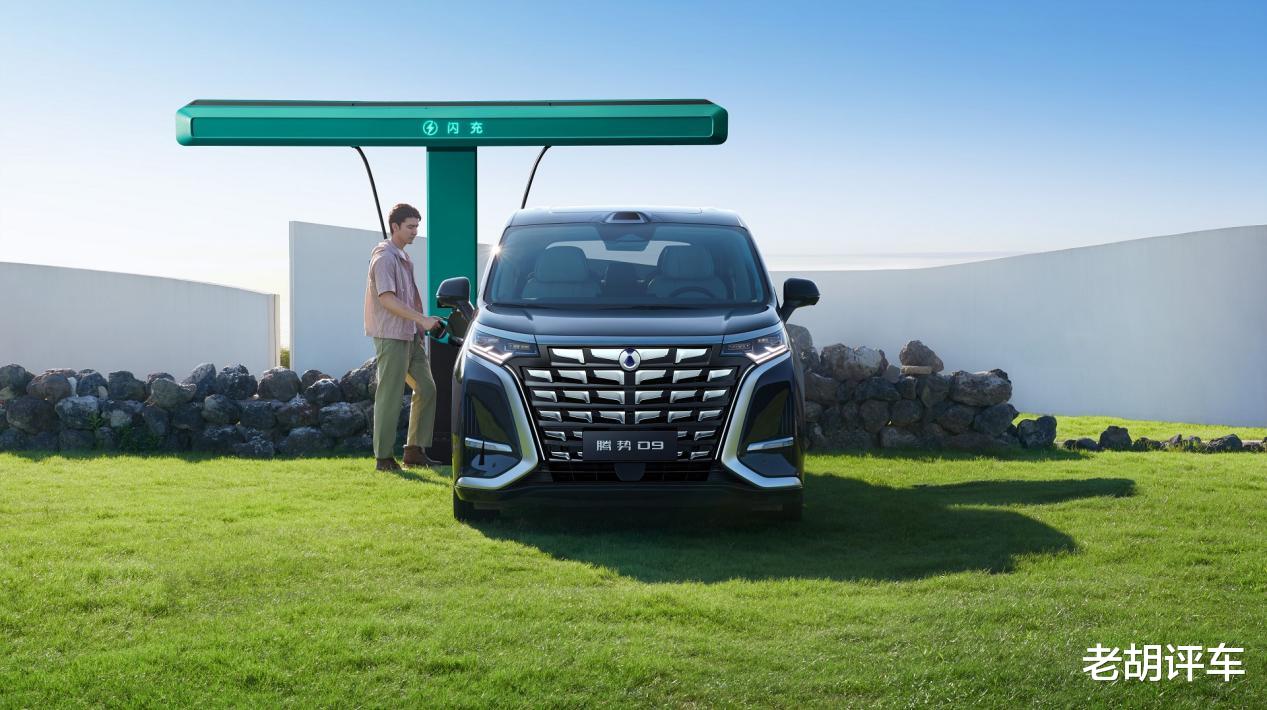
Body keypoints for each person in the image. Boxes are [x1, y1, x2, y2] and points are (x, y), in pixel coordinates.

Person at [364, 203, 442, 472]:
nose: (415, 231)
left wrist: (420, 324)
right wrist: (422, 319)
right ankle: (384, 458)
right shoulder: (384, 258)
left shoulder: (404, 258)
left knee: (427, 388)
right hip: (391, 337)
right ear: (394, 226)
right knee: (390, 394)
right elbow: (387, 299)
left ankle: (414, 451)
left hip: (410, 335)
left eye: (417, 226)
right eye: (410, 226)